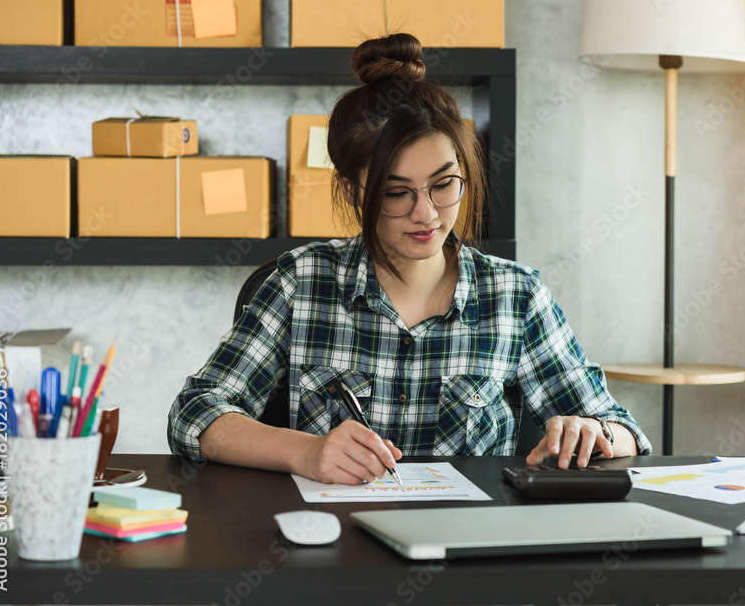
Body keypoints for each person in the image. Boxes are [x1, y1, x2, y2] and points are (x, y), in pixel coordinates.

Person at [167, 33, 651, 485]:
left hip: (467, 552)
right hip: (335, 547)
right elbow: (193, 413)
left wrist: (597, 434)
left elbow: (624, 430)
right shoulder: (300, 283)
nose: (427, 214)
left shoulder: (516, 296)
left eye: (443, 184)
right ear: (352, 190)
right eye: (396, 193)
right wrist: (305, 451)